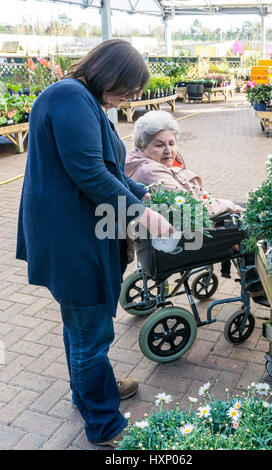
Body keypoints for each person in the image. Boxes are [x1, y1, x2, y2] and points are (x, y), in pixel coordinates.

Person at [16, 40, 173, 448]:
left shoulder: (82, 100)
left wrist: (140, 190)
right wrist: (141, 214)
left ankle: (90, 388)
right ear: (109, 71)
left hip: (79, 230)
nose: (133, 96)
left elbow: (105, 166)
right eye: (130, 86)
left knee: (82, 327)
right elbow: (88, 173)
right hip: (71, 238)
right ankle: (104, 425)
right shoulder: (69, 96)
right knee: (90, 332)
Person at [126, 110, 245, 278]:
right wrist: (226, 204)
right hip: (184, 235)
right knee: (248, 224)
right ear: (142, 146)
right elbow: (192, 209)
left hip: (181, 227)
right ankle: (255, 284)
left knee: (240, 209)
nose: (168, 150)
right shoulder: (150, 171)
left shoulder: (144, 161)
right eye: (159, 145)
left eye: (172, 143)